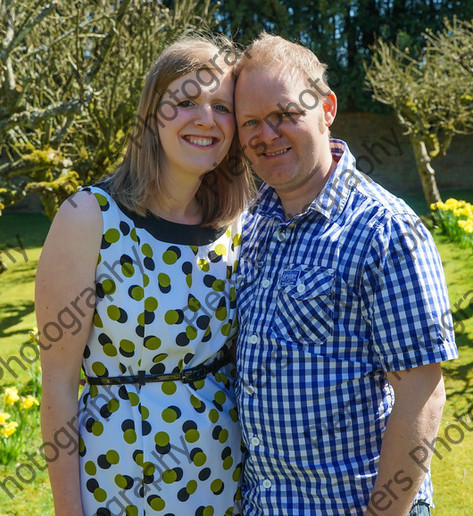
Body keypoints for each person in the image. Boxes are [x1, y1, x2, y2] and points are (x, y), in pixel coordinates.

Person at [233, 32, 458, 516]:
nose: (265, 135)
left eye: (284, 115)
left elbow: (422, 395)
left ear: (327, 107)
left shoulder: (387, 230)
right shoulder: (253, 225)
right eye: (250, 121)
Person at [36, 34, 254, 516]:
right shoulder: (88, 218)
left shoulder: (238, 227)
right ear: (152, 114)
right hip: (120, 486)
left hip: (228, 488)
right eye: (186, 101)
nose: (206, 119)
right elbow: (57, 385)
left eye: (221, 107)